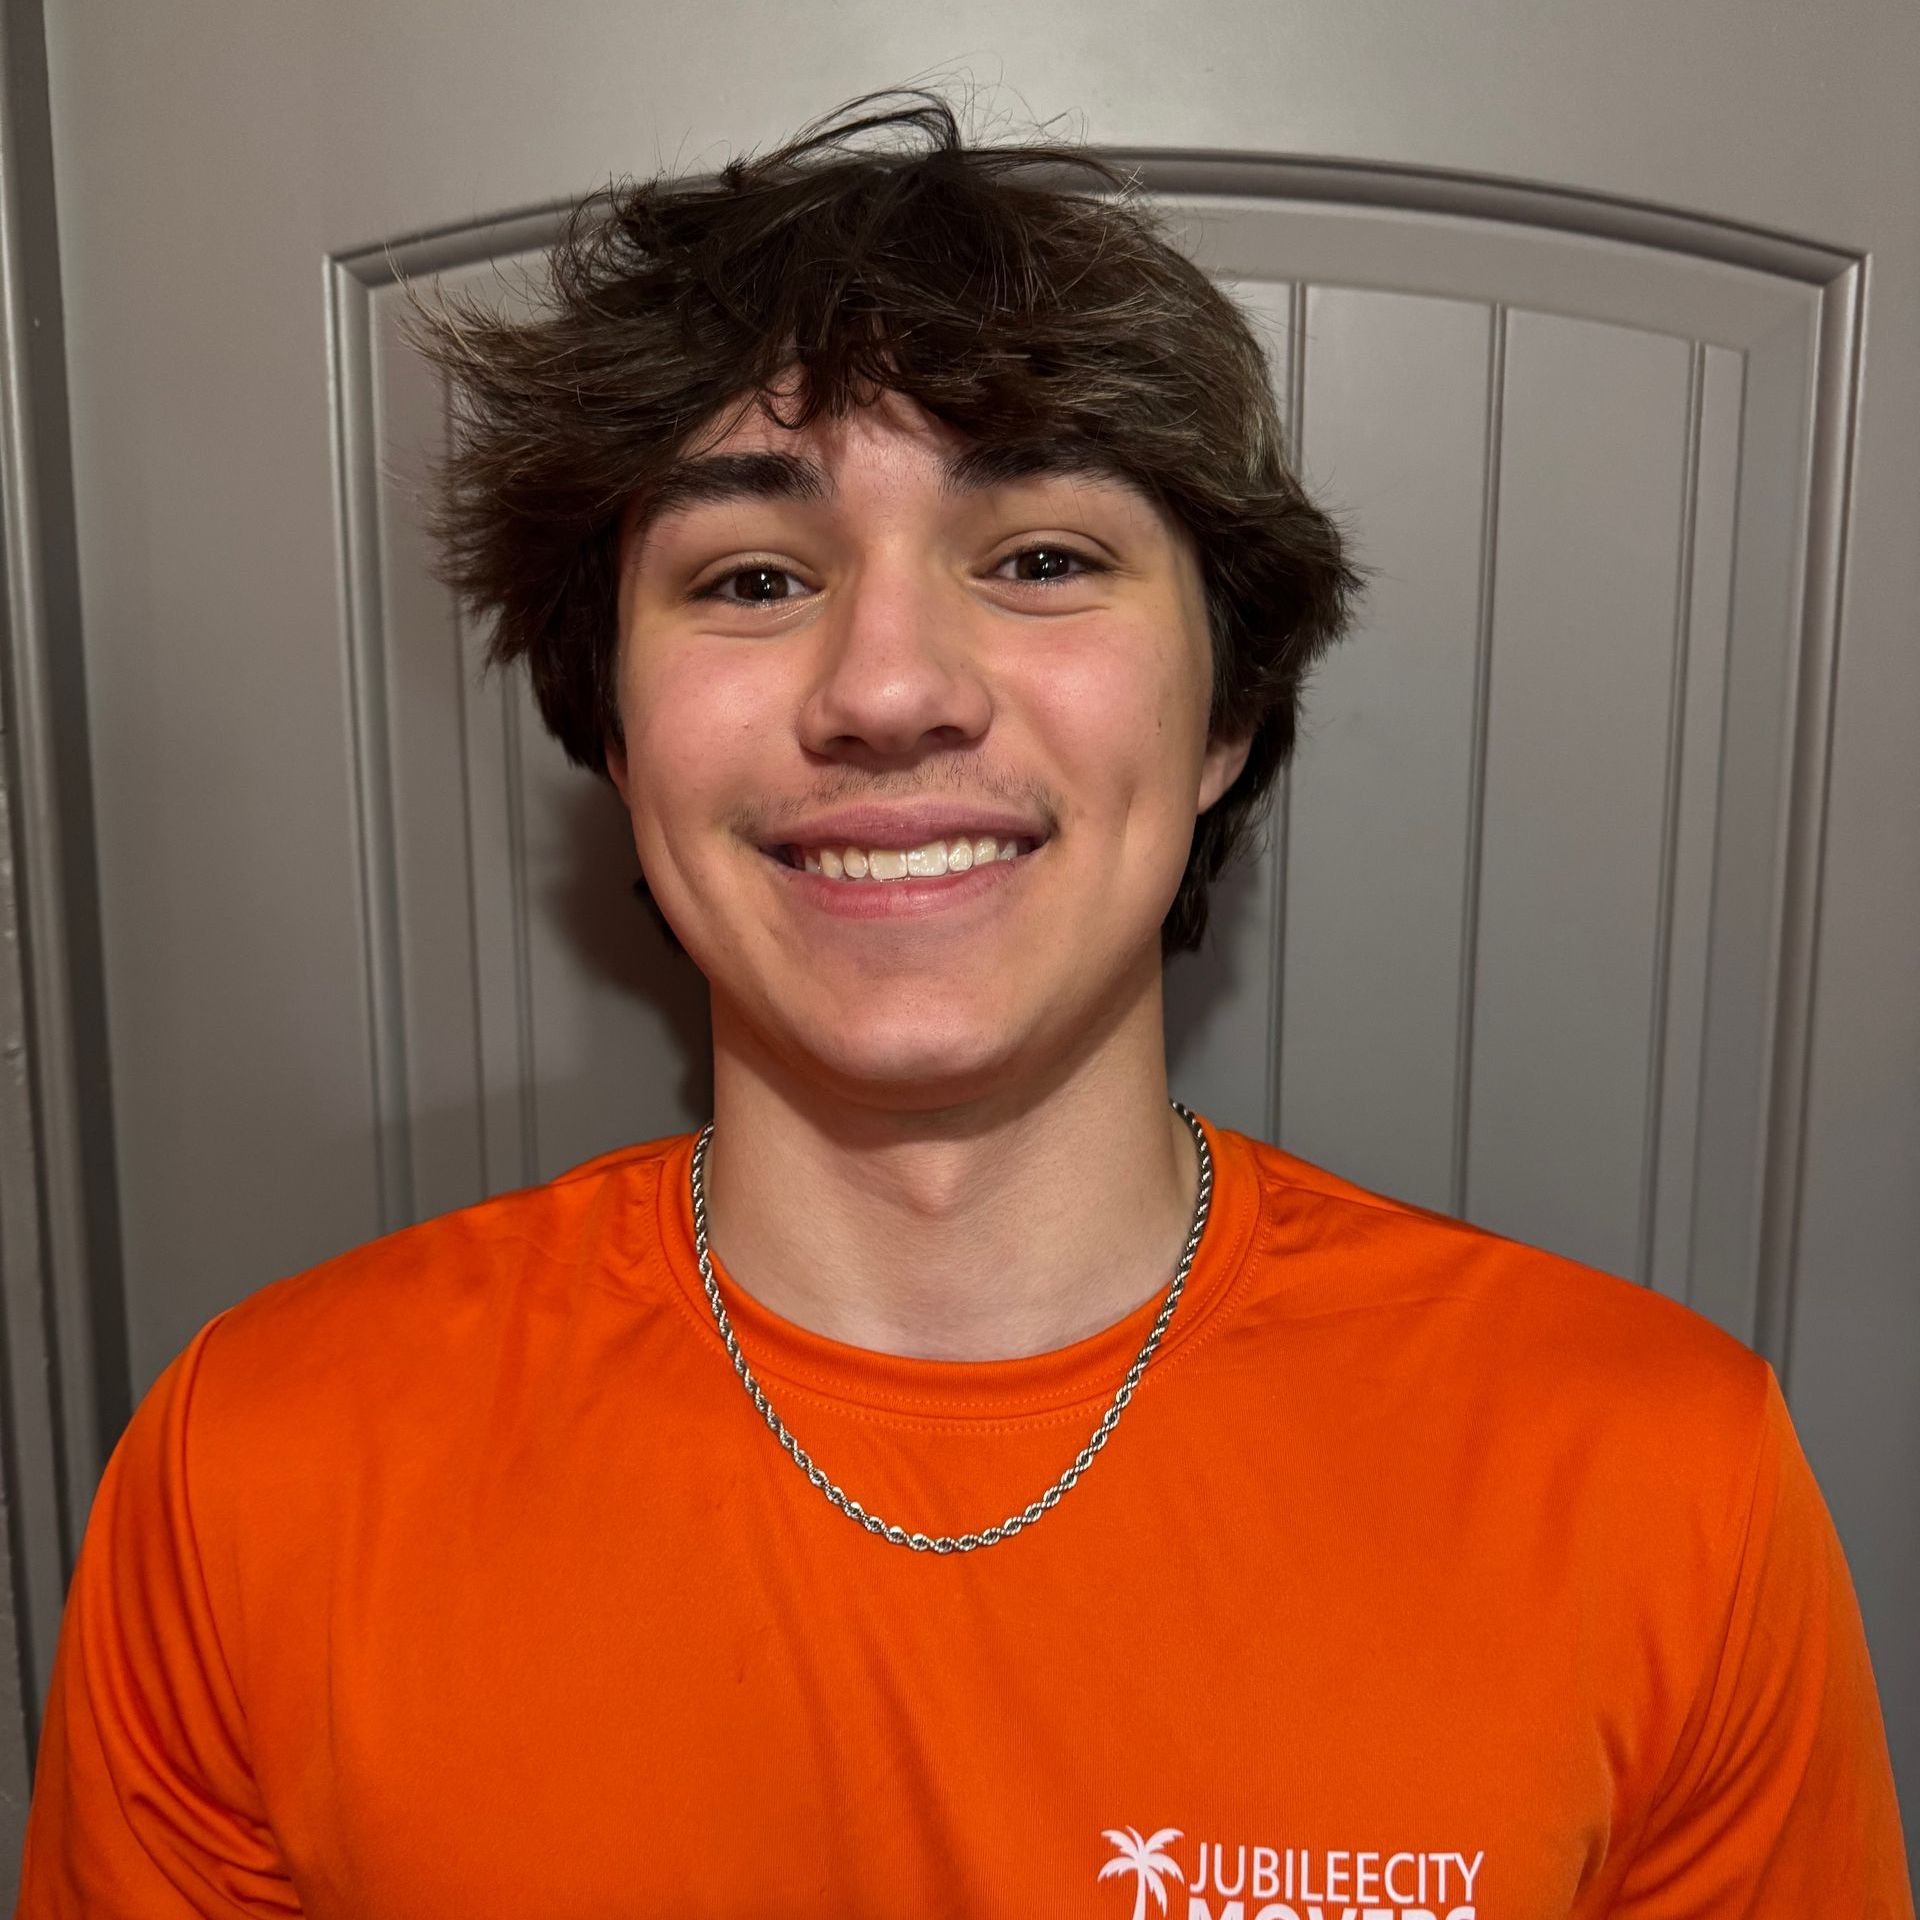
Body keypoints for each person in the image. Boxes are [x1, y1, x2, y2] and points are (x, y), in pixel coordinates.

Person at [14, 90, 1912, 1919]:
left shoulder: (1662, 1479)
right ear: (611, 728)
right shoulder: (256, 1466)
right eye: (754, 575)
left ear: (1230, 715)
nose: (891, 685)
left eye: (1040, 559)